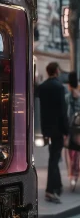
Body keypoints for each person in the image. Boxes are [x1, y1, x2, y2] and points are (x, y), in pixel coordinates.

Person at [38, 61, 69, 203]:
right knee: (54, 159)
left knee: (54, 157)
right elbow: (63, 112)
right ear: (56, 71)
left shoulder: (42, 87)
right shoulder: (59, 88)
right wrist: (66, 131)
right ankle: (50, 190)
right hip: (57, 130)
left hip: (46, 129)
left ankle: (57, 186)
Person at [66, 71, 80, 191]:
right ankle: (76, 174)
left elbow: (66, 114)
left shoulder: (67, 96)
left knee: (71, 153)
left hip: (71, 130)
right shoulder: (79, 95)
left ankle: (72, 175)